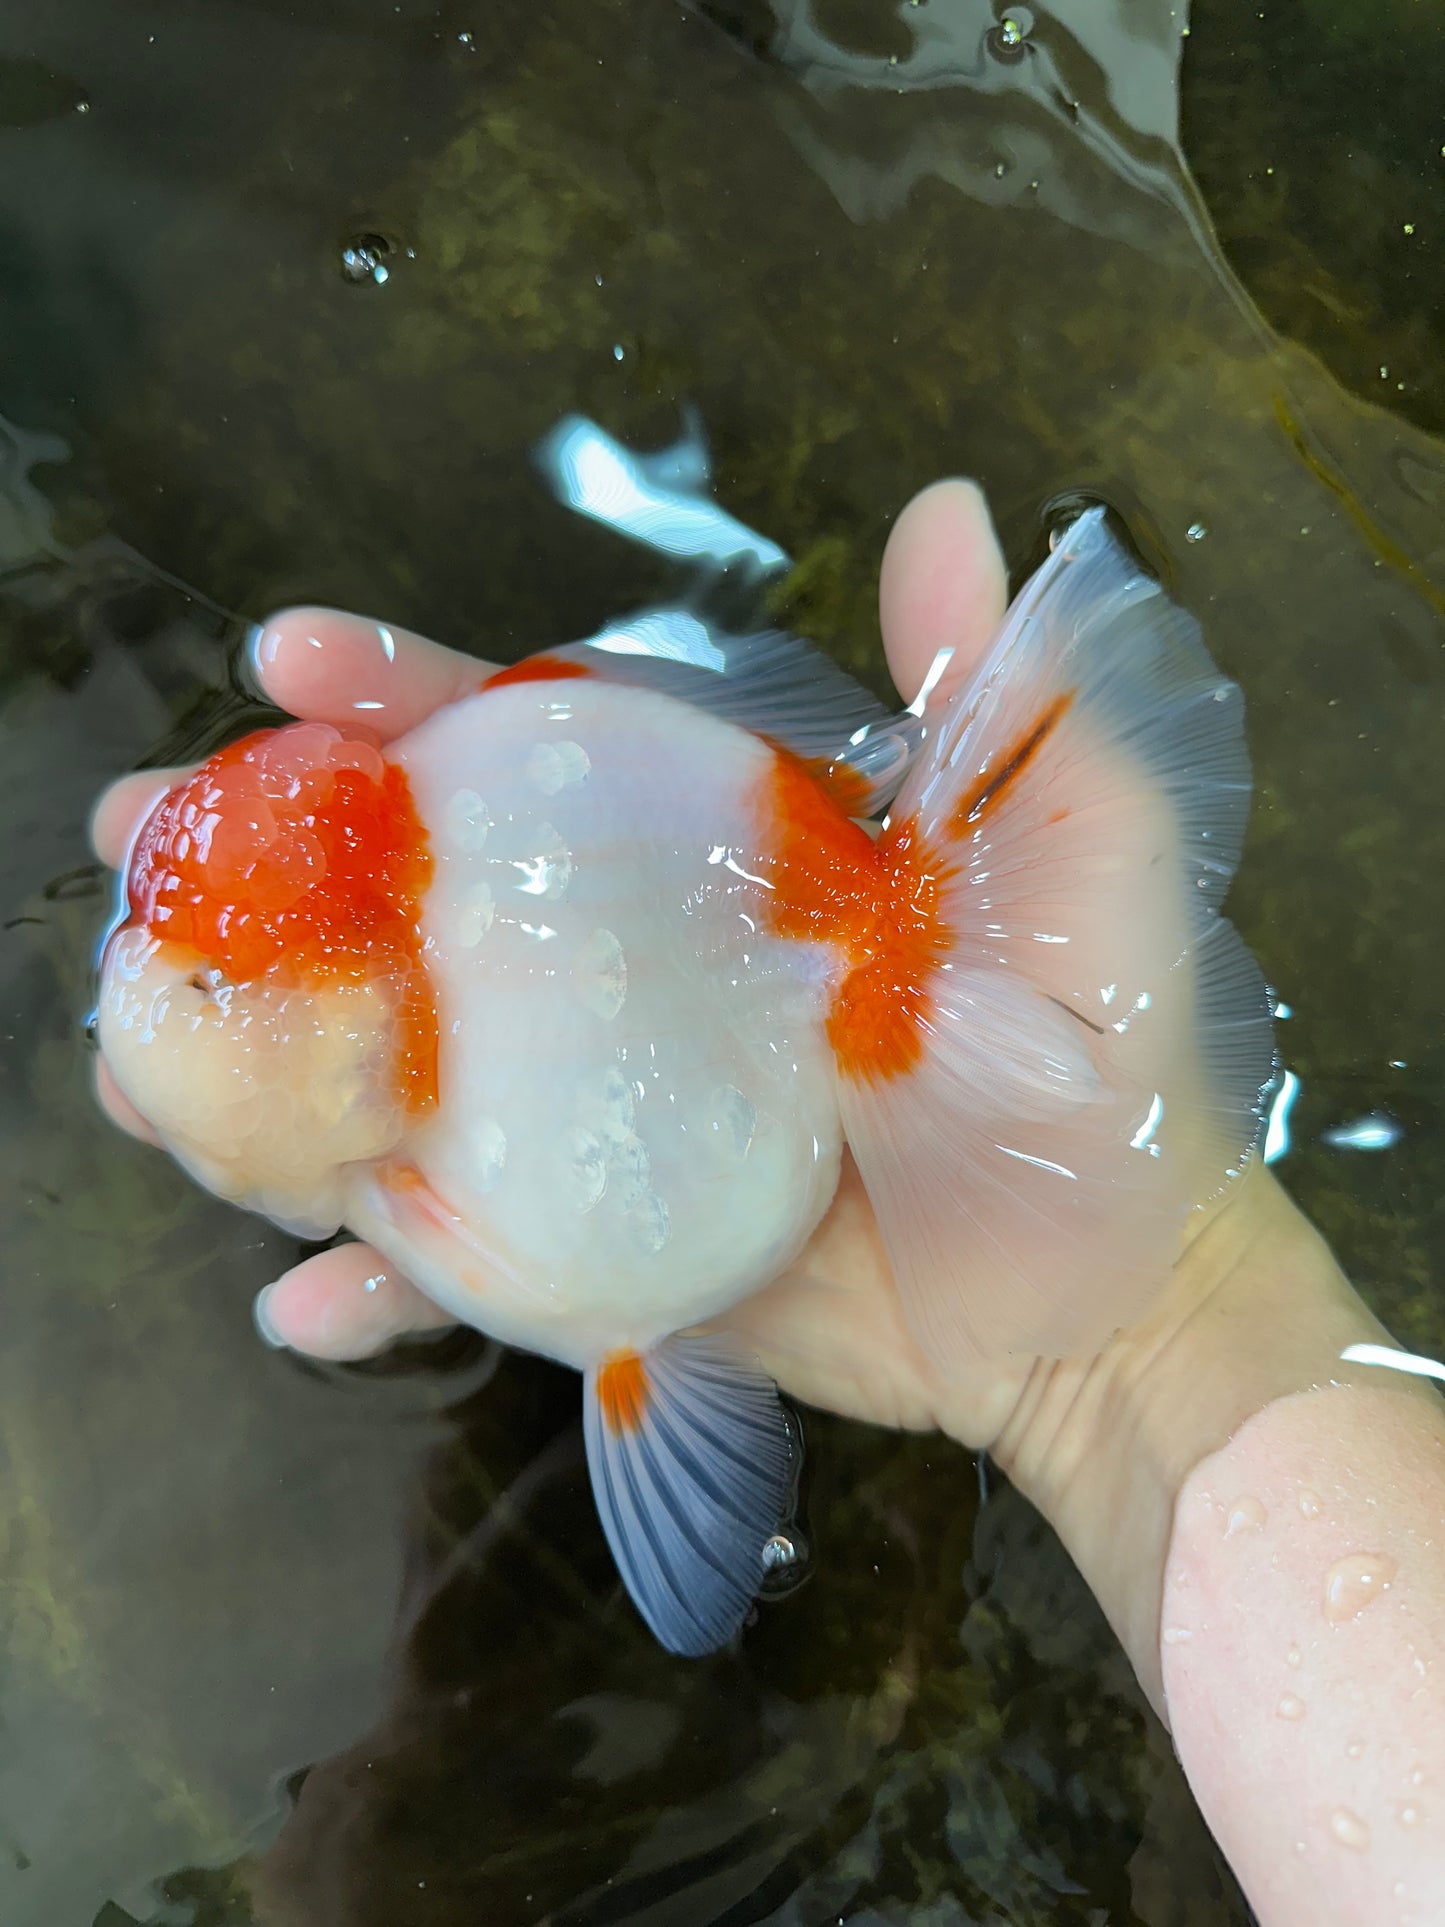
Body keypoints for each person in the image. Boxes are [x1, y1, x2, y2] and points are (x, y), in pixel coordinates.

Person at [90, 479, 1445, 1922]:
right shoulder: (412, 1079)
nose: (149, 1010)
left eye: (210, 981)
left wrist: (1153, 1339)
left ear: (355, 1015)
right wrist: (1148, 1347)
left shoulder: (448, 1031)